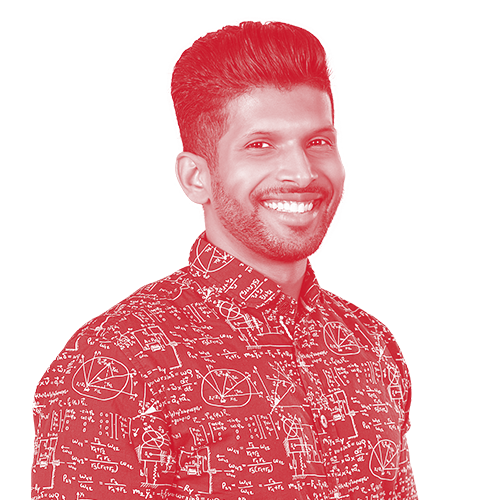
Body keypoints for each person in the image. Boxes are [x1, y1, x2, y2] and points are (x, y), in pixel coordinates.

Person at [31, 18, 418, 500]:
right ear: (196, 178)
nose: (301, 173)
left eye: (318, 142)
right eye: (260, 146)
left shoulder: (371, 344)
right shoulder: (115, 361)